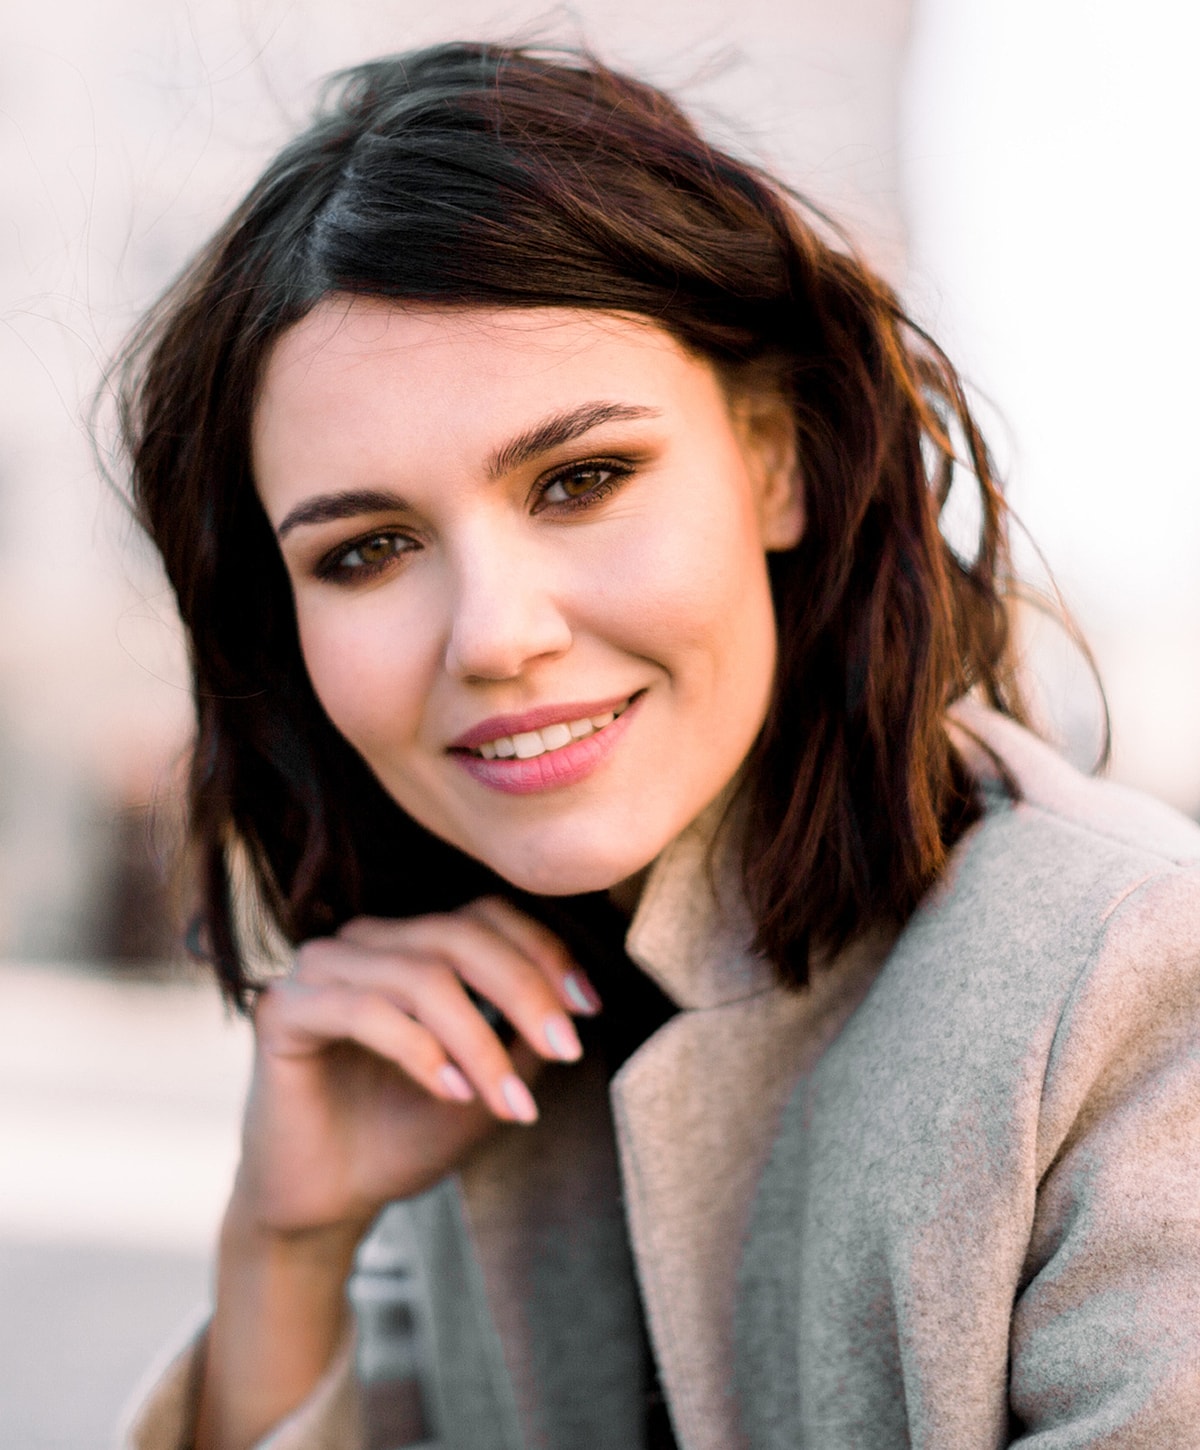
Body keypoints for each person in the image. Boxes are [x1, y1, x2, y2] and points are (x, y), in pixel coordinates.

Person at [116, 42, 1200, 1450]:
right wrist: (288, 1242)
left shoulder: (1129, 986)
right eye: (370, 549)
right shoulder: (472, 1046)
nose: (495, 634)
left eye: (581, 480)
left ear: (775, 459)